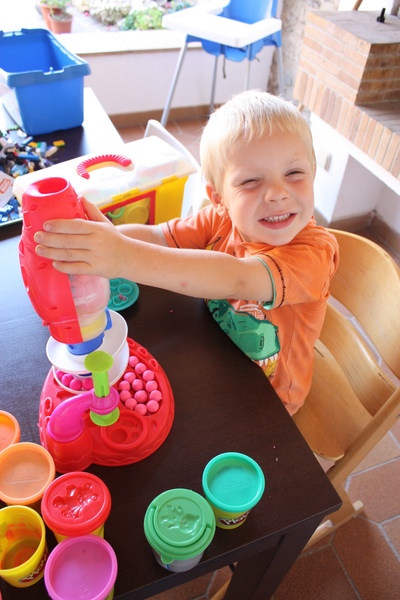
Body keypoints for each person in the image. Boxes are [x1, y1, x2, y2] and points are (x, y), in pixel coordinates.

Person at [34, 90, 339, 416]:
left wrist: (122, 256)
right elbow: (157, 236)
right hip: (214, 348)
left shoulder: (314, 253)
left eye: (294, 173)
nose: (277, 194)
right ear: (218, 196)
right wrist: (105, 241)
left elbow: (238, 278)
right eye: (251, 181)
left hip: (269, 398)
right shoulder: (222, 217)